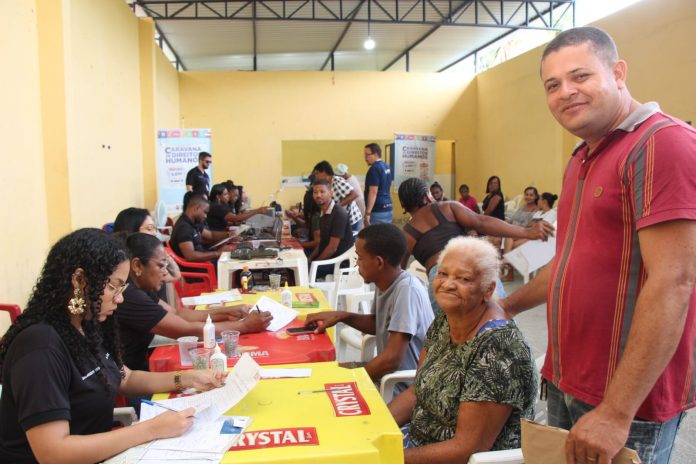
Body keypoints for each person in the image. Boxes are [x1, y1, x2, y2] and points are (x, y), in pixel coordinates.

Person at [500, 26, 696, 464]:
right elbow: (569, 265)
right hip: (568, 380)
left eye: (580, 76)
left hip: (626, 399)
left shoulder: (660, 144)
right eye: (553, 85)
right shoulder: (583, 158)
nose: (566, 92)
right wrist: (506, 307)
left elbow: (675, 281)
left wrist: (616, 411)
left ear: (618, 72)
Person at [0, 228, 227, 463]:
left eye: (122, 289)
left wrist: (189, 378)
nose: (119, 298)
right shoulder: (40, 347)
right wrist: (151, 429)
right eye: (113, 287)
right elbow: (53, 452)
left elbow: (124, 377)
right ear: (79, 280)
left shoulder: (83, 324)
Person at [388, 237, 537, 463]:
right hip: (416, 443)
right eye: (443, 274)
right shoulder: (444, 322)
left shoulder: (498, 349)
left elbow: (466, 448)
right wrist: (376, 431)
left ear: (488, 289)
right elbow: (416, 391)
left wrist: (388, 458)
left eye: (463, 278)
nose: (447, 284)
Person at [117, 233, 271, 375]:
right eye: (161, 265)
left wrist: (229, 311)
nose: (165, 272)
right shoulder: (130, 295)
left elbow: (177, 313)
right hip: (132, 375)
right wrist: (244, 326)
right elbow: (185, 330)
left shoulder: (141, 285)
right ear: (137, 266)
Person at [305, 224, 433, 393]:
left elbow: (392, 359)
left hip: (401, 387)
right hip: (386, 376)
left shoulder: (407, 291)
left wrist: (352, 381)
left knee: (322, 388)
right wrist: (341, 316)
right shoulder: (384, 282)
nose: (357, 263)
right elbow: (377, 324)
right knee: (318, 376)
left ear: (379, 262)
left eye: (359, 257)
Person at [398, 178, 554, 314]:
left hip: (442, 278)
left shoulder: (406, 235)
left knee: (450, 338)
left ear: (404, 206)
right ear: (427, 195)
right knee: (498, 321)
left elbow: (398, 274)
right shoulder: (447, 207)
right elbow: (482, 222)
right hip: (473, 266)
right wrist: (527, 232)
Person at [113, 207, 181, 284]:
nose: (155, 233)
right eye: (149, 228)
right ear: (132, 230)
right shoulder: (128, 264)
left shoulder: (148, 255)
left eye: (154, 228)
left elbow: (176, 275)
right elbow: (175, 275)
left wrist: (161, 251)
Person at [307, 180, 355, 277]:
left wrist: (314, 263)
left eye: (322, 192)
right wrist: (310, 257)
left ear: (331, 193)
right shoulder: (323, 212)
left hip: (339, 263)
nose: (318, 195)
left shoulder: (339, 214)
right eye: (315, 192)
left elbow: (332, 248)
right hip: (327, 258)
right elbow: (321, 242)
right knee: (302, 261)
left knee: (303, 271)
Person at [169, 194, 233, 263]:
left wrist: (229, 235)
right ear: (196, 208)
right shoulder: (184, 227)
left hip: (203, 259)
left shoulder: (194, 222)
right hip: (197, 267)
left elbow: (211, 235)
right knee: (231, 263)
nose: (205, 216)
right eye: (205, 212)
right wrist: (218, 253)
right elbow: (190, 256)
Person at [501, 186, 540, 281]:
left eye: (531, 195)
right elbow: (513, 219)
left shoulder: (536, 210)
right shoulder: (522, 207)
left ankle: (508, 270)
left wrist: (517, 228)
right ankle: (508, 269)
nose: (528, 197)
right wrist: (506, 222)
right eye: (526, 194)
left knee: (509, 240)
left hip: (524, 233)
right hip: (514, 233)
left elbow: (531, 226)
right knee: (509, 238)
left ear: (535, 197)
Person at [313, 160, 363, 232]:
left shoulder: (337, 180)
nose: (316, 176)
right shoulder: (327, 184)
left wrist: (337, 207)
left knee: (349, 242)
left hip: (352, 219)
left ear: (324, 172)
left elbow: (354, 194)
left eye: (317, 173)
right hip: (343, 219)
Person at [363, 143, 393, 225]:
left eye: (367, 155)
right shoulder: (387, 167)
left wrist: (368, 213)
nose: (365, 158)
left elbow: (373, 192)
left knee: (375, 236)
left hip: (378, 210)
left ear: (375, 154)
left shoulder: (374, 169)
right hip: (388, 207)